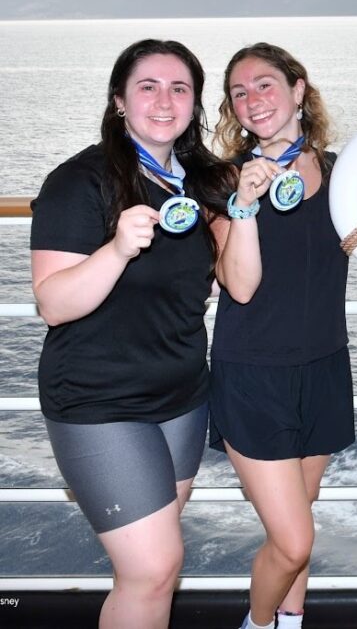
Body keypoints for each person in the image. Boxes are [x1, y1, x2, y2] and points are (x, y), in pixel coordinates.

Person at [30, 39, 235, 629]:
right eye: (147, 86)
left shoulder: (202, 184)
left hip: (181, 398)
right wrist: (117, 249)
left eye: (180, 88)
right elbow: (53, 303)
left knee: (154, 573)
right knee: (154, 566)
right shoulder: (80, 182)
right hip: (99, 402)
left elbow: (230, 276)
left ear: (196, 104)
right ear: (120, 100)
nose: (164, 101)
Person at [208, 43, 355, 629]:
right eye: (239, 92)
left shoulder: (343, 172)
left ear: (298, 90)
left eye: (264, 84)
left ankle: (290, 620)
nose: (252, 100)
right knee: (292, 542)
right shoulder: (224, 180)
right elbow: (238, 287)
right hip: (254, 375)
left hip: (323, 367)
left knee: (303, 518)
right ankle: (260, 623)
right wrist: (244, 204)